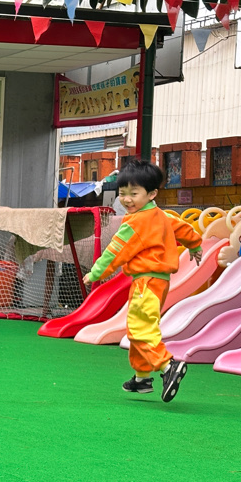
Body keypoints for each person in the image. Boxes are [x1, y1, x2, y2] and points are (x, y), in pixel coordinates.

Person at [83, 159, 202, 402]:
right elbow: (182, 228)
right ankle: (142, 377)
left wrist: (95, 273)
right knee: (138, 325)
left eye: (133, 194)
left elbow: (115, 250)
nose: (127, 200)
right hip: (159, 281)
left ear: (151, 194)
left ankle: (168, 365)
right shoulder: (159, 215)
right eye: (122, 193)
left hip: (146, 281)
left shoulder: (136, 221)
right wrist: (195, 245)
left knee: (140, 327)